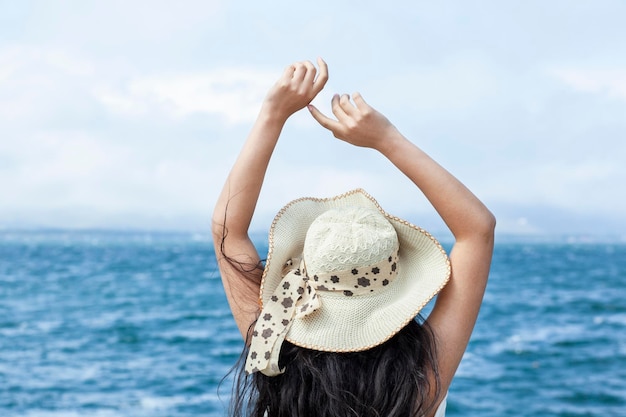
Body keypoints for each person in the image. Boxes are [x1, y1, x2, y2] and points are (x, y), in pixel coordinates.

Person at [212, 58, 495, 417]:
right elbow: (477, 230)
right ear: (397, 292)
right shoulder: (418, 385)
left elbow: (227, 231)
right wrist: (386, 139)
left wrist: (273, 114)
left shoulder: (272, 339)